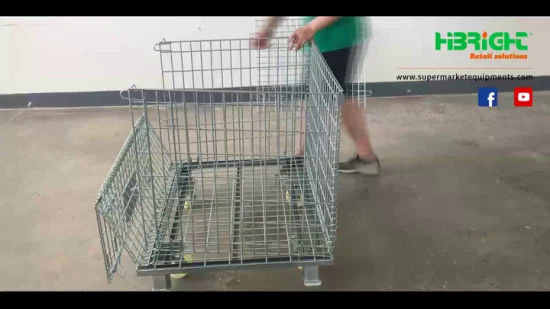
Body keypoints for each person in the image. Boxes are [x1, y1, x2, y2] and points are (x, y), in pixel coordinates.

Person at [253, 16, 380, 175]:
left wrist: (310, 28)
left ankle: (303, 157)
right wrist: (267, 30)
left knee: (330, 98)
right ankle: (365, 157)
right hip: (319, 40)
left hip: (336, 40)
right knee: (334, 98)